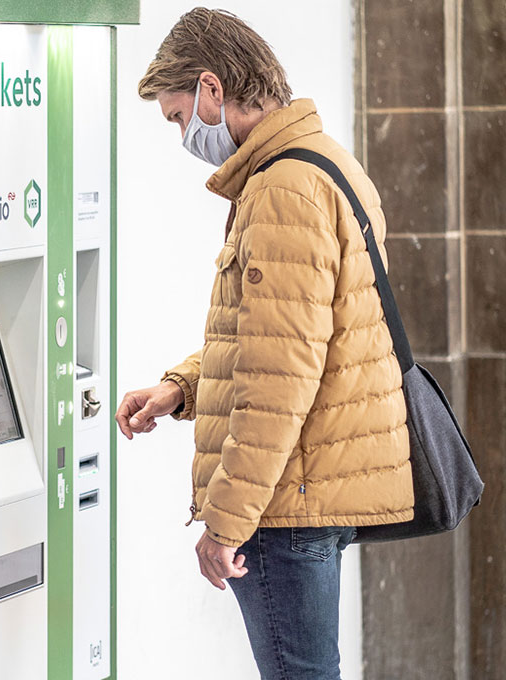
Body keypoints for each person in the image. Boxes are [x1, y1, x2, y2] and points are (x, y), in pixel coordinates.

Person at [115, 9, 414, 679]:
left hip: (286, 503)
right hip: (307, 490)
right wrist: (183, 389)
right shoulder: (324, 164)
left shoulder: (284, 189)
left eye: (177, 116)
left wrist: (225, 521)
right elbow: (283, 337)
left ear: (213, 90)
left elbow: (281, 380)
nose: (182, 135)